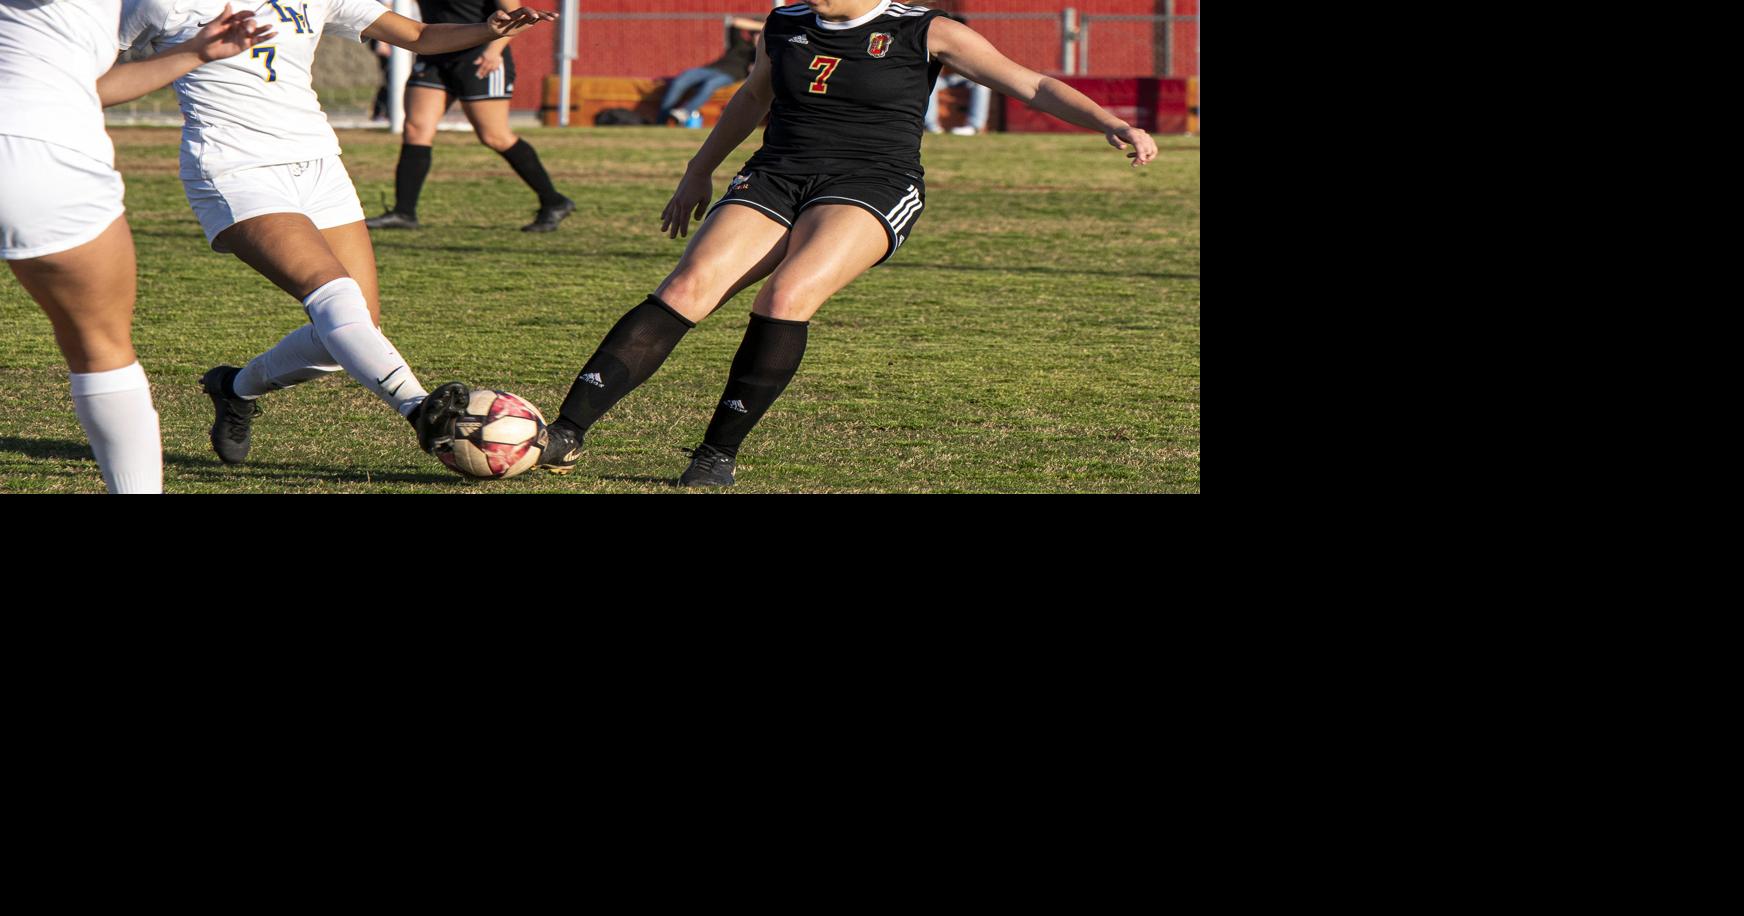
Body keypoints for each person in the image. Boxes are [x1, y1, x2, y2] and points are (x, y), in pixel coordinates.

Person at [539, 0, 1156, 487]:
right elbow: (754, 95)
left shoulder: (928, 30)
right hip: (777, 173)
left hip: (873, 182)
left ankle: (714, 455)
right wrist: (698, 170)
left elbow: (1031, 86)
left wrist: (1113, 121)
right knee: (685, 288)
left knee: (786, 296)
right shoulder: (782, 24)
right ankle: (566, 431)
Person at [117, 0, 556, 468]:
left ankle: (234, 388)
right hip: (234, 168)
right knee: (336, 299)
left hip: (321, 165)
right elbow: (94, 66)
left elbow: (418, 36)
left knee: (351, 333)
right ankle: (419, 408)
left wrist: (488, 29)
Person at [2, 0, 271, 494]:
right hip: (39, 151)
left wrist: (194, 52)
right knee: (100, 349)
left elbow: (89, 89)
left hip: (38, 139)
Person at [364, 0, 572, 232]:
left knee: (495, 136)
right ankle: (404, 213)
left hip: (480, 56)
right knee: (415, 129)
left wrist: (494, 52)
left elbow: (517, 16)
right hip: (435, 53)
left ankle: (554, 201)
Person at [659, 16, 764, 128]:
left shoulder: (762, 53)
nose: (758, 37)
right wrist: (763, 26)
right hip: (710, 69)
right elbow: (735, 22)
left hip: (729, 76)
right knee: (682, 78)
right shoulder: (740, 44)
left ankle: (685, 111)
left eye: (761, 35)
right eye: (757, 34)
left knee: (710, 85)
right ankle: (661, 120)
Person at [924, 13, 989, 135]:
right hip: (944, 78)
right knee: (927, 83)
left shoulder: (969, 41)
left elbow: (976, 66)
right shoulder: (938, 39)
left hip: (965, 76)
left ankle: (975, 126)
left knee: (982, 85)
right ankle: (930, 125)